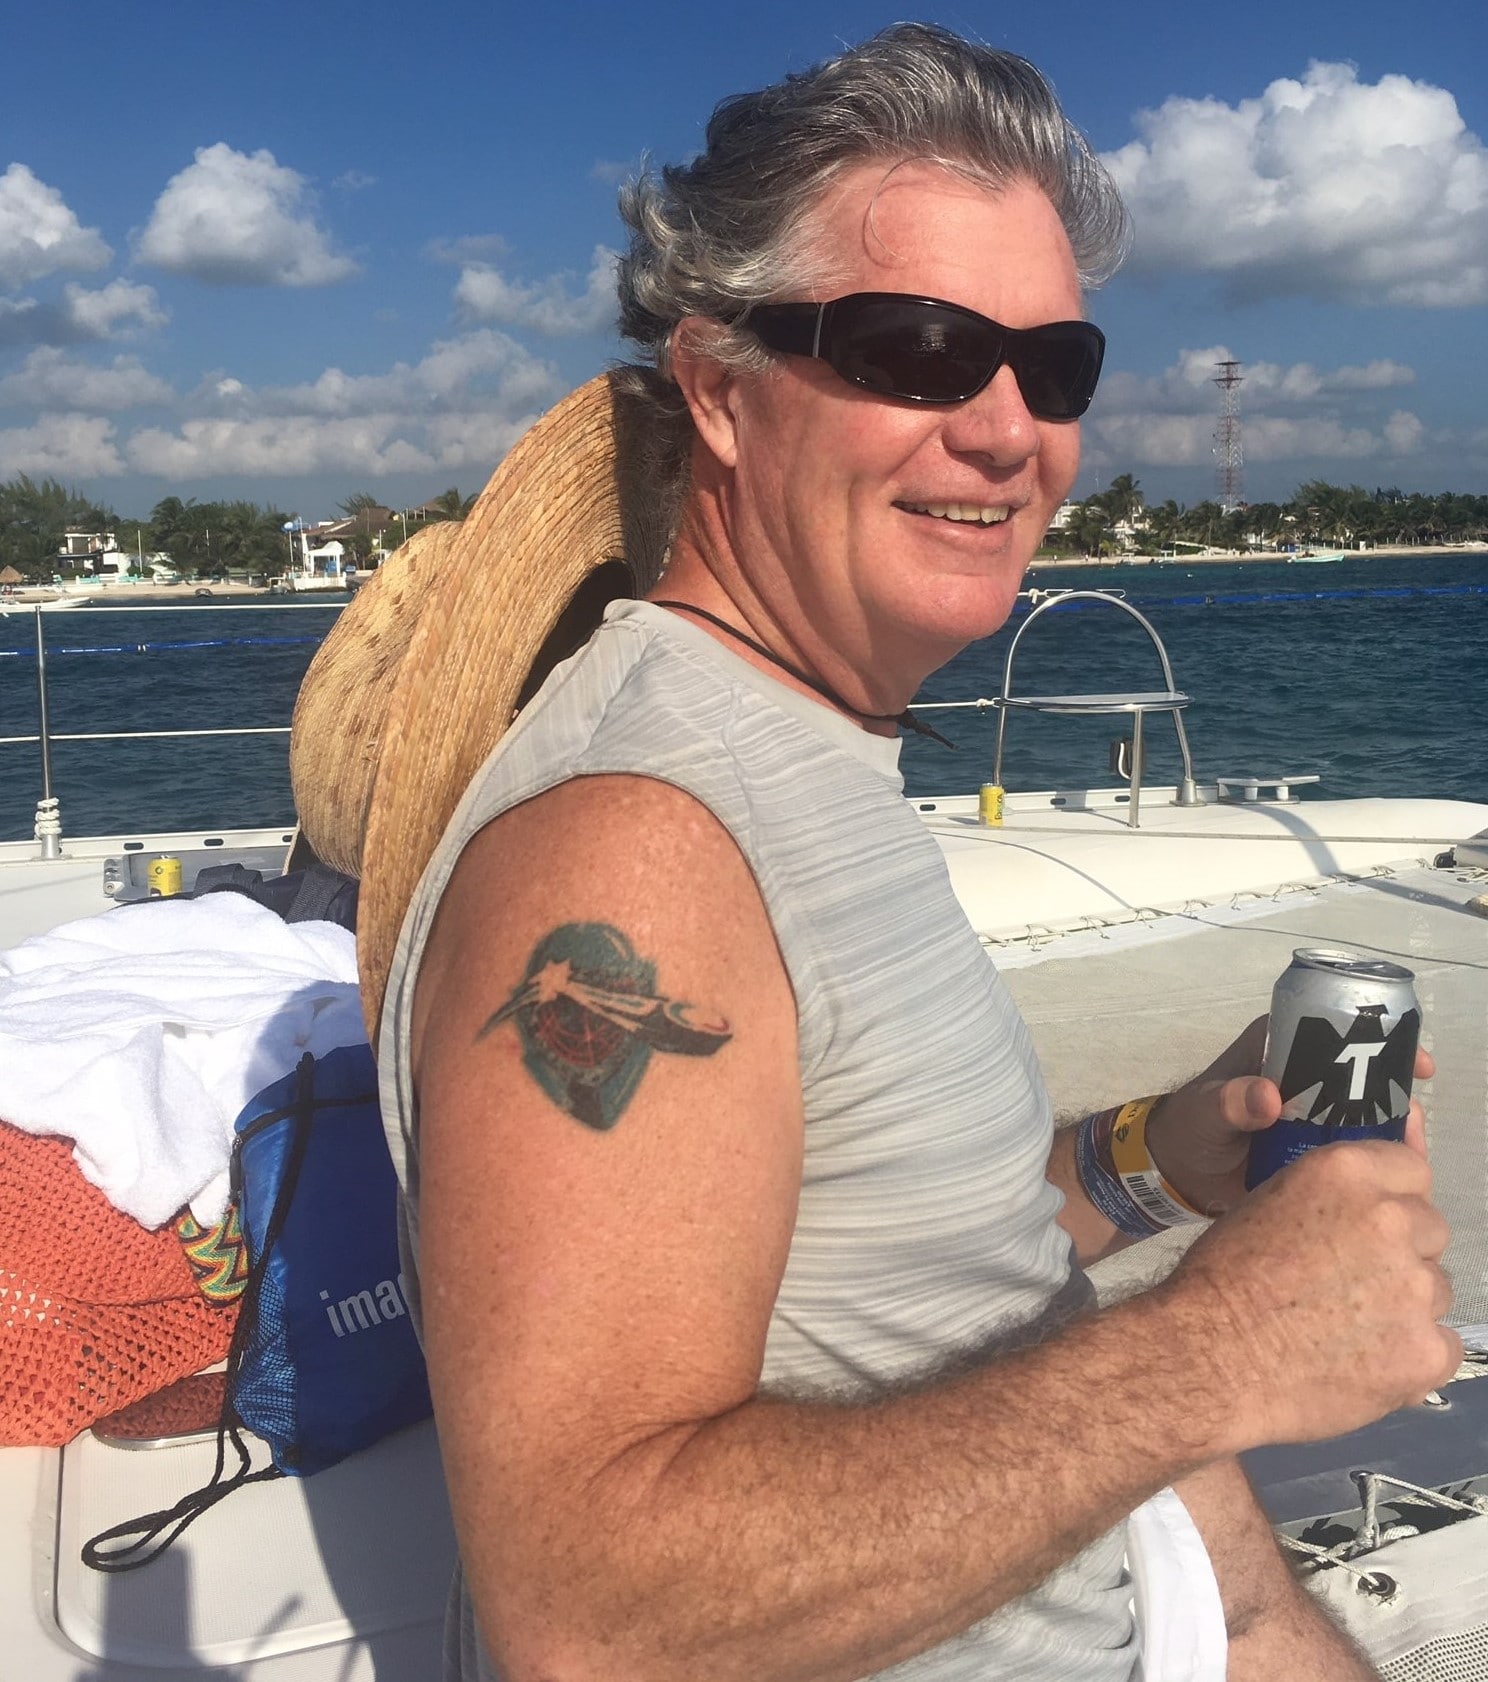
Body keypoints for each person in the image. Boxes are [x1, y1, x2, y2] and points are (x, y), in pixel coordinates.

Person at [379, 24, 1459, 1681]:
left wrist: (1162, 1158)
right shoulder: (633, 848)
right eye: (919, 348)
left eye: (1059, 365)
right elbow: (589, 1610)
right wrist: (1212, 1350)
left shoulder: (798, 754)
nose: (1011, 430)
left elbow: (897, 1262)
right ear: (723, 395)